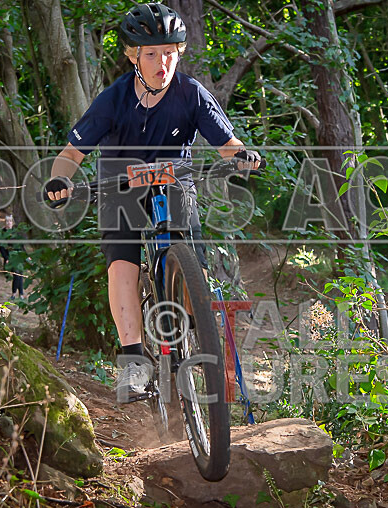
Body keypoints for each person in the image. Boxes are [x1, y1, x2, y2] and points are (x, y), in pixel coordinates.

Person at [44, 3, 260, 397]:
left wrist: (241, 156)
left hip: (174, 180)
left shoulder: (191, 93)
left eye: (170, 52)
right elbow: (72, 153)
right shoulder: (114, 99)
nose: (163, 62)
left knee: (194, 261)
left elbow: (227, 144)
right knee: (122, 263)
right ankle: (133, 365)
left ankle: (198, 334)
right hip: (119, 183)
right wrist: (60, 178)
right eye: (151, 54)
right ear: (132, 55)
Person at [0, 214, 25, 300]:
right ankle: (14, 293)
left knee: (20, 274)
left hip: (19, 255)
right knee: (16, 274)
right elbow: (2, 247)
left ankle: (20, 294)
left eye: (10, 221)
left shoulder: (16, 231)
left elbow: (21, 245)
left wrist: (26, 256)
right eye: (7, 221)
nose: (9, 223)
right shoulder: (3, 232)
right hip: (10, 256)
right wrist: (6, 258)